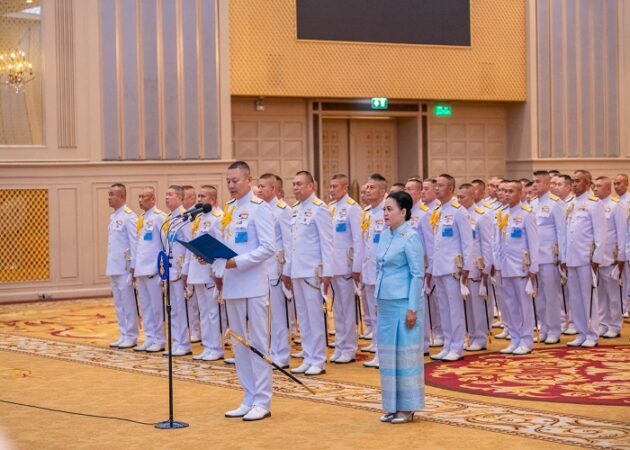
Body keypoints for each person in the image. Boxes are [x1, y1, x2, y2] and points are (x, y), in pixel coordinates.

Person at [210, 160, 275, 421]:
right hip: (232, 284)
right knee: (238, 344)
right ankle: (248, 397)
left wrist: (237, 262)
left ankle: (263, 400)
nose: (231, 185)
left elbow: (268, 247)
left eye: (235, 180)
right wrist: (211, 259)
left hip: (253, 285)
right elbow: (223, 246)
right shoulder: (228, 209)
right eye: (228, 181)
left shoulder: (260, 208)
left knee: (257, 343)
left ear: (249, 180)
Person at [376, 191, 424, 424]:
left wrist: (413, 308)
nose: (385, 213)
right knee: (388, 357)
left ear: (403, 212)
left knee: (405, 356)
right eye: (384, 209)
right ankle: (392, 406)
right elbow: (380, 267)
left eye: (390, 209)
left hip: (403, 303)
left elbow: (417, 275)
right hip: (385, 303)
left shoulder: (410, 236)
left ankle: (407, 407)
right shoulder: (385, 235)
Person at [285, 170, 333, 376]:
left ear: (311, 186)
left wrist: (327, 272)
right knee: (303, 318)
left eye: (300, 184)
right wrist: (288, 270)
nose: (295, 187)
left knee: (314, 317)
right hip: (297, 269)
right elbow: (291, 244)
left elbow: (327, 242)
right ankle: (308, 357)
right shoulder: (295, 209)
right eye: (294, 184)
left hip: (313, 271)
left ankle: (319, 360)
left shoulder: (319, 209)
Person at [428, 174, 473, 361]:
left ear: (451, 189)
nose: (436, 188)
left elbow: (468, 241)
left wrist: (467, 266)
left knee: (455, 309)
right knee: (444, 309)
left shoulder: (458, 211)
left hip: (453, 267)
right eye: (436, 185)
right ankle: (447, 344)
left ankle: (457, 346)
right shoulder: (438, 211)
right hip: (439, 266)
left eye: (440, 185)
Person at [562, 170, 606, 348]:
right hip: (571, 257)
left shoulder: (594, 204)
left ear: (588, 184)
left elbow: (600, 234)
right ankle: (581, 332)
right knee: (575, 297)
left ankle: (592, 334)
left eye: (578, 181)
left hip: (586, 257)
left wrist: (596, 258)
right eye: (573, 181)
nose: (574, 184)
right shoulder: (570, 204)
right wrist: (564, 257)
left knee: (589, 297)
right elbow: (566, 233)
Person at [497, 181, 539, 355]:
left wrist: (533, 268)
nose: (507, 194)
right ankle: (515, 338)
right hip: (506, 266)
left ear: (520, 193)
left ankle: (526, 340)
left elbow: (534, 243)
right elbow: (498, 242)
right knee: (510, 305)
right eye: (505, 191)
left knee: (524, 306)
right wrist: (497, 264)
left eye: (511, 191)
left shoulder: (527, 214)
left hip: (522, 266)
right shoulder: (502, 213)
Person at [184, 185, 224, 361]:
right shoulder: (198, 218)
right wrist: (186, 270)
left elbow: (221, 245)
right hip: (197, 271)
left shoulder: (218, 218)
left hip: (209, 271)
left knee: (213, 312)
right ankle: (207, 346)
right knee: (203, 312)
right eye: (199, 196)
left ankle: (216, 347)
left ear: (213, 200)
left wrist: (212, 262)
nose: (199, 200)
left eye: (203, 196)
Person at [258, 173, 292, 368]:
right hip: (261, 269)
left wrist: (287, 269)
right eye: (259, 186)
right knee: (264, 315)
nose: (260, 190)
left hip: (275, 268)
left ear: (273, 189)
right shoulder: (259, 208)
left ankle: (282, 354)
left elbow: (288, 242)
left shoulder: (283, 210)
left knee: (278, 314)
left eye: (263, 186)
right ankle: (270, 350)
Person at [328, 173, 363, 364]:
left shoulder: (352, 208)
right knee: (338, 310)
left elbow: (358, 239)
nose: (332, 190)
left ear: (345, 188)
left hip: (347, 266)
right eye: (330, 186)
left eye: (335, 186)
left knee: (348, 310)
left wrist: (356, 266)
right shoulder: (331, 208)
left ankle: (349, 348)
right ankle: (340, 345)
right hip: (333, 266)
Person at [531, 171, 566, 344]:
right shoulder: (532, 203)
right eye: (533, 181)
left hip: (549, 256)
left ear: (547, 184)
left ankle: (554, 330)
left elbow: (562, 231)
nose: (534, 185)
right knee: (539, 296)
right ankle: (544, 328)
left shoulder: (555, 203)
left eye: (538, 181)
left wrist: (562, 257)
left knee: (552, 296)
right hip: (535, 258)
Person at [133, 187, 167, 352]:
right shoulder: (141, 218)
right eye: (139, 197)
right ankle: (150, 337)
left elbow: (165, 244)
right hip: (141, 269)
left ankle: (159, 339)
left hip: (153, 269)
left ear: (153, 199)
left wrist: (163, 271)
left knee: (156, 308)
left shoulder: (160, 217)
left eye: (144, 197)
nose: (140, 200)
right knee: (145, 307)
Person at [161, 185, 193, 356]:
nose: (167, 197)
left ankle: (184, 343)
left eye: (170, 194)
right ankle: (176, 342)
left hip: (180, 270)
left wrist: (186, 270)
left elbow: (189, 245)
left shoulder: (185, 217)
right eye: (166, 194)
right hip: (169, 270)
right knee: (172, 308)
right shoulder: (169, 218)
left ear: (180, 198)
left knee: (181, 309)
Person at [360, 173, 388, 368]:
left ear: (383, 191)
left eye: (372, 188)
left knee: (384, 315)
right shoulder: (367, 213)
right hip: (369, 270)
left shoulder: (388, 211)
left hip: (384, 272)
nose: (368, 191)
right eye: (367, 187)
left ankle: (384, 353)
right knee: (374, 314)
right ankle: (378, 350)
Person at [106, 183, 139, 348]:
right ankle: (123, 333)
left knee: (128, 302)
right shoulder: (113, 216)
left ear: (122, 197)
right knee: (119, 303)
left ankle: (131, 335)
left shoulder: (129, 216)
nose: (109, 197)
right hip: (114, 266)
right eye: (109, 194)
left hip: (125, 267)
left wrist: (134, 266)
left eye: (112, 194)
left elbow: (134, 242)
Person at [592, 176, 625, 338]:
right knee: (600, 294)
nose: (595, 189)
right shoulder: (593, 205)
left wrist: (621, 256)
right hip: (595, 258)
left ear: (608, 189)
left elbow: (621, 232)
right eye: (594, 186)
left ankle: (615, 325)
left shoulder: (615, 206)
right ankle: (603, 323)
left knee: (613, 295)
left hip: (610, 257)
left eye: (599, 186)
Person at [181, 185, 201, 343]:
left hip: (198, 262)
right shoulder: (185, 216)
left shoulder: (197, 215)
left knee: (197, 302)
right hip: (188, 261)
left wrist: (186, 267)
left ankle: (197, 330)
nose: (182, 199)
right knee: (191, 300)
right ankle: (194, 329)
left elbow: (191, 242)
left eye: (185, 196)